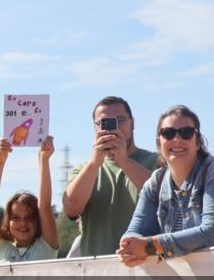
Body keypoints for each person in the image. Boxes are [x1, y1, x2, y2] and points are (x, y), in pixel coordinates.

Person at [117, 105, 214, 265]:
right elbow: (135, 231)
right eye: (168, 133)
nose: (177, 139)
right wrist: (128, 246)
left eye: (186, 132)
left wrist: (149, 246)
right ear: (159, 142)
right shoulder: (156, 181)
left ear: (198, 142)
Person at [63, 96, 159, 256]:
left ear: (132, 123)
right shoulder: (84, 169)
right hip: (99, 268)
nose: (115, 128)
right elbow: (71, 209)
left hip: (148, 264)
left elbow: (163, 199)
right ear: (95, 128)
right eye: (104, 123)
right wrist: (94, 163)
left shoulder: (157, 162)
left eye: (120, 120)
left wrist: (124, 161)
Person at [0, 136, 60, 263]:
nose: (23, 223)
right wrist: (0, 164)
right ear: (8, 221)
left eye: (29, 217)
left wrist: (43, 159)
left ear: (38, 220)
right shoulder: (0, 249)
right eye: (16, 218)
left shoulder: (46, 246)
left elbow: (44, 206)